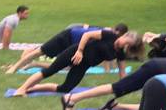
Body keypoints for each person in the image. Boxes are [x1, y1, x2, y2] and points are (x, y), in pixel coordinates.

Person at [12, 30, 144, 98]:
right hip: (74, 54)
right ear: (125, 35)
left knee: (65, 88)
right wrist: (80, 51)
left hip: (84, 65)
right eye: (126, 41)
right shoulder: (109, 35)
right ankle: (21, 89)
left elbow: (122, 72)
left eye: (128, 46)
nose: (124, 45)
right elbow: (87, 35)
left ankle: (32, 88)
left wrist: (125, 86)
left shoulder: (120, 53)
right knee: (50, 71)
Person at [6, 22, 127, 74]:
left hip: (75, 45)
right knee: (41, 51)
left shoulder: (112, 38)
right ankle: (15, 67)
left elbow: (104, 55)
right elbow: (87, 35)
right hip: (69, 36)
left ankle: (34, 64)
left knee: (65, 67)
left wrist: (108, 70)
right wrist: (107, 70)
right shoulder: (107, 33)